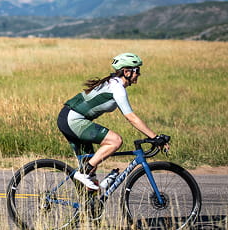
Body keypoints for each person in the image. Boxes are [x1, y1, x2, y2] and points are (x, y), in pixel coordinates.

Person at [57, 53, 169, 190]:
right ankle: (83, 174)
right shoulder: (117, 88)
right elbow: (131, 117)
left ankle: (88, 206)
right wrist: (155, 137)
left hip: (69, 118)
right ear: (127, 72)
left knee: (91, 177)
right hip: (73, 120)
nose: (139, 74)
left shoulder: (113, 81)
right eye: (137, 71)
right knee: (115, 141)